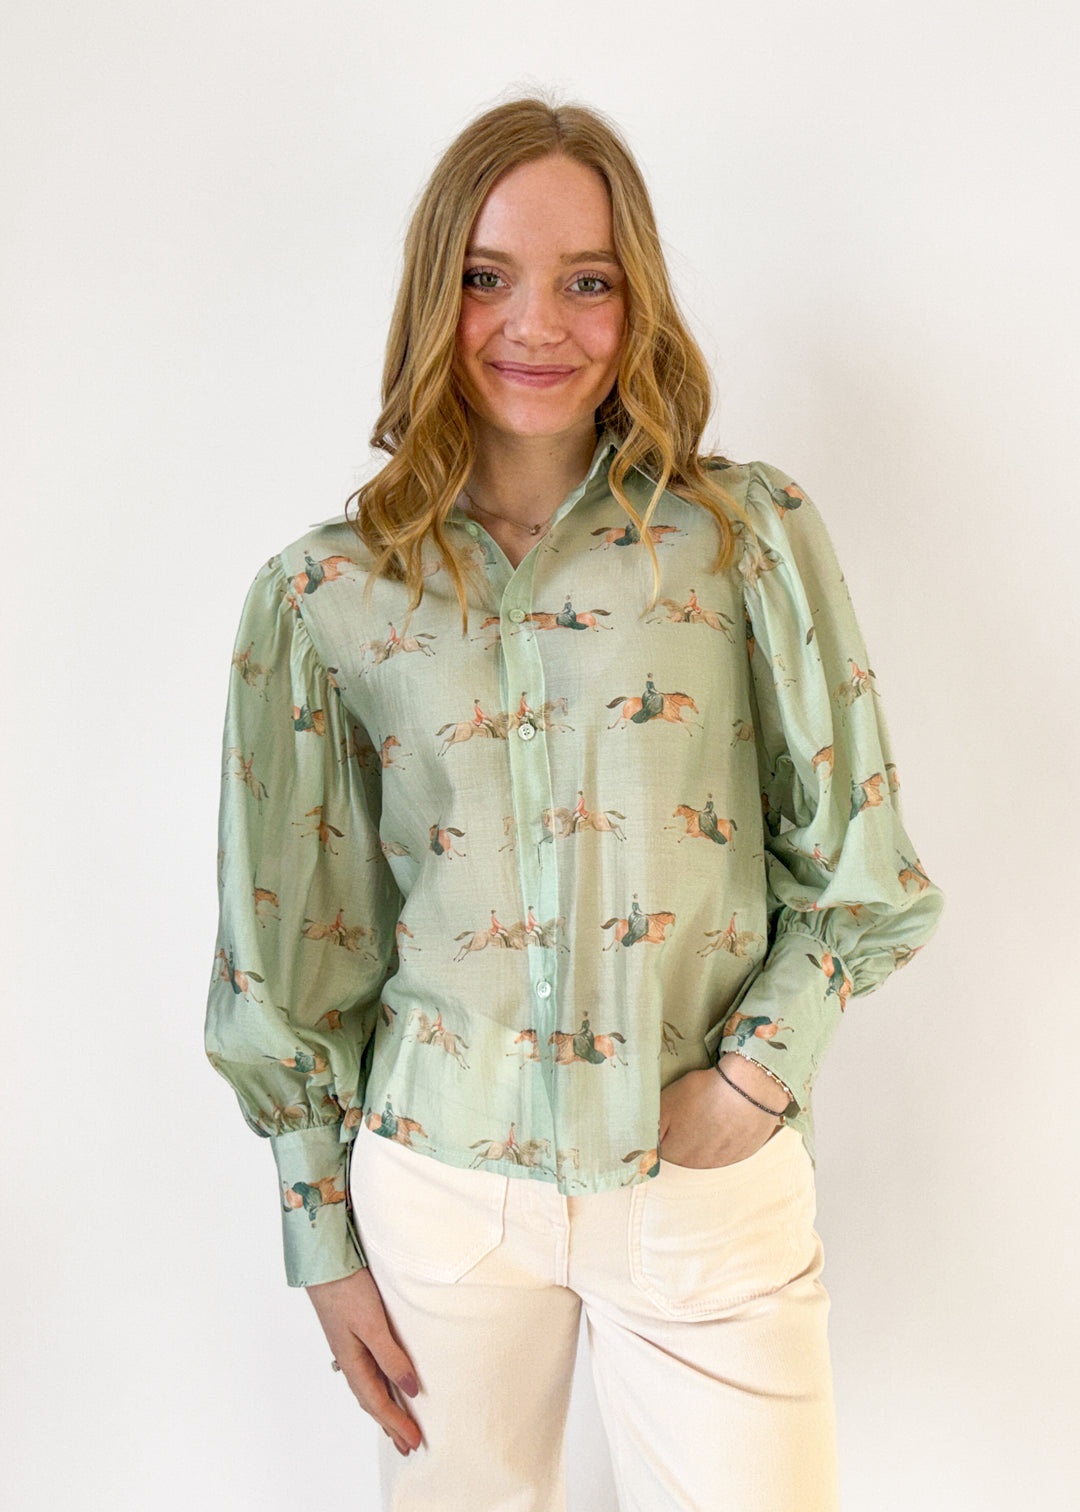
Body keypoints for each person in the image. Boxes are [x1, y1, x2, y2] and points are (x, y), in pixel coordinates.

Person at [204, 94, 945, 1511]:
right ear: (436, 297)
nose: (535, 322)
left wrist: (756, 1080)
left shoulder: (745, 540)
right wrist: (323, 1229)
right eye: (487, 277)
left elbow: (861, 865)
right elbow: (292, 941)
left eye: (585, 281)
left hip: (705, 1183)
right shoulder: (325, 595)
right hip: (438, 1193)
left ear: (636, 301)